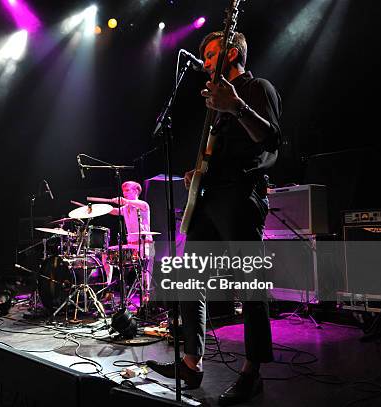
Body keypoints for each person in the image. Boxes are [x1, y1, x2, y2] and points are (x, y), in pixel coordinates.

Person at [146, 31, 282, 406]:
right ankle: (192, 361)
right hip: (209, 197)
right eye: (204, 56)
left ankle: (252, 372)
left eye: (210, 55)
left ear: (233, 53)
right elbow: (215, 153)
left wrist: (236, 106)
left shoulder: (257, 89)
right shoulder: (213, 104)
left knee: (251, 287)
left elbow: (270, 141)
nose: (204, 63)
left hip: (240, 196)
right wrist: (197, 172)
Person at [96, 181, 155, 301]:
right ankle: (108, 288)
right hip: (131, 245)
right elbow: (113, 211)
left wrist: (124, 200)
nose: (125, 193)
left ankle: (146, 298)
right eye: (124, 191)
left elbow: (136, 204)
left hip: (145, 244)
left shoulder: (143, 205)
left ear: (136, 191)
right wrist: (98, 209)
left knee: (145, 272)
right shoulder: (125, 208)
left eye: (127, 190)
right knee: (106, 255)